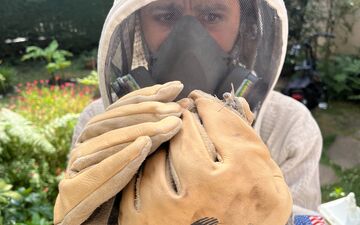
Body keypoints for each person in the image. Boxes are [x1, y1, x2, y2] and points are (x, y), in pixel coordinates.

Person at [54, 0, 323, 224]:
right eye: (166, 15)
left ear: (241, 25)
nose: (190, 36)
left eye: (212, 15)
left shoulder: (290, 126)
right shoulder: (100, 121)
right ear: (137, 25)